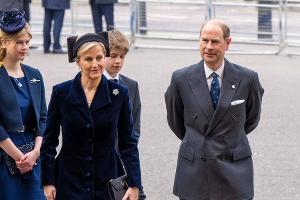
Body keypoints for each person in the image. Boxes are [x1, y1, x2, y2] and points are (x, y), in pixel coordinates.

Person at [165, 19, 264, 200]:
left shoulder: (247, 79)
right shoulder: (181, 79)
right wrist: (198, 140)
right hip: (195, 171)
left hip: (234, 170)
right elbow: (175, 120)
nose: (208, 47)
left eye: (215, 41)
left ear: (228, 43)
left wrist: (228, 137)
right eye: (204, 40)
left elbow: (252, 118)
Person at [41, 32, 142, 200]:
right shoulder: (61, 93)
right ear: (78, 61)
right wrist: (47, 181)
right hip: (69, 181)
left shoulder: (119, 94)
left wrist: (134, 184)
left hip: (107, 181)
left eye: (99, 58)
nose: (95, 64)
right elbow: (49, 142)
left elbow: (128, 143)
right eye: (88, 59)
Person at [0, 8, 47, 200]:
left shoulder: (34, 74)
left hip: (33, 155)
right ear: (3, 42)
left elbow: (43, 117)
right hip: (5, 154)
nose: (25, 47)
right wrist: (19, 156)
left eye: (27, 42)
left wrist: (35, 152)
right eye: (19, 42)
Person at [104, 29, 146, 199]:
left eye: (122, 57)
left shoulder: (131, 86)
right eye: (113, 56)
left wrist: (125, 160)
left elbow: (134, 129)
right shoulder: (90, 83)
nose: (118, 61)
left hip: (124, 162)